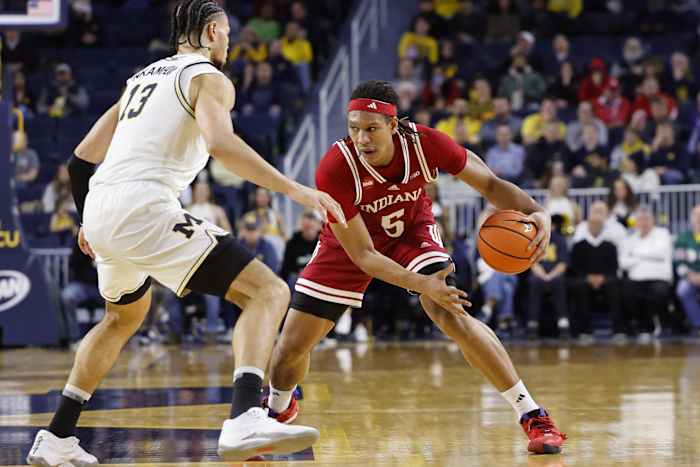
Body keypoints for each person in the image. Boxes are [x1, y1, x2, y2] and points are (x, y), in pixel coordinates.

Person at [26, 2, 346, 465]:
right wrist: (295, 190)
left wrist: (85, 221)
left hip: (101, 207)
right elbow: (221, 145)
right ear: (214, 32)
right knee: (268, 293)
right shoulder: (209, 78)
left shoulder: (140, 80)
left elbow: (79, 159)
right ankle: (243, 417)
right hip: (144, 206)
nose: (230, 43)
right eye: (229, 35)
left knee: (122, 318)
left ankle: (56, 437)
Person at [265, 80, 566, 455]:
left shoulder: (426, 144)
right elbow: (364, 257)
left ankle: (532, 415)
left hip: (411, 230)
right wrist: (421, 284)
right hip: (349, 245)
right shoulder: (335, 168)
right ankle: (277, 410)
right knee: (288, 350)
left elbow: (488, 182)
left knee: (450, 312)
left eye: (371, 128)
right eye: (354, 128)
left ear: (394, 126)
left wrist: (536, 212)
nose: (361, 138)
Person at [570, 201, 623, 341]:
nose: (595, 227)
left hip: (606, 279)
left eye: (598, 225)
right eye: (592, 224)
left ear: (603, 226)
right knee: (579, 286)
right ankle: (584, 330)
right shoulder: (579, 246)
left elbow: (614, 267)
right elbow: (574, 268)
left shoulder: (610, 245)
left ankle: (618, 330)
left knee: (614, 286)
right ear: (587, 226)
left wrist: (602, 277)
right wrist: (588, 277)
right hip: (584, 279)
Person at [619, 206, 672, 342]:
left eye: (646, 219)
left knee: (657, 292)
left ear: (652, 220)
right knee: (628, 294)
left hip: (659, 277)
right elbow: (623, 262)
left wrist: (636, 255)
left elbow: (661, 253)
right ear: (636, 222)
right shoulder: (630, 239)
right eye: (640, 220)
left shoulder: (663, 233)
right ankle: (643, 327)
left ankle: (657, 323)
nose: (643, 222)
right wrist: (648, 256)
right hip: (636, 278)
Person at [673, 204, 700, 337]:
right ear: (691, 218)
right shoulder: (683, 238)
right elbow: (678, 262)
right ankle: (698, 324)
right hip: (690, 277)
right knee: (683, 290)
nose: (699, 218)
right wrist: (690, 275)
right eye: (696, 214)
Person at [280, 209, 322, 288]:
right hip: (298, 277)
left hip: (318, 276)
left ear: (318, 226)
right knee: (292, 279)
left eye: (311, 227)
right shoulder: (292, 243)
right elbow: (285, 269)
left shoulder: (324, 241)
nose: (308, 230)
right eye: (305, 227)